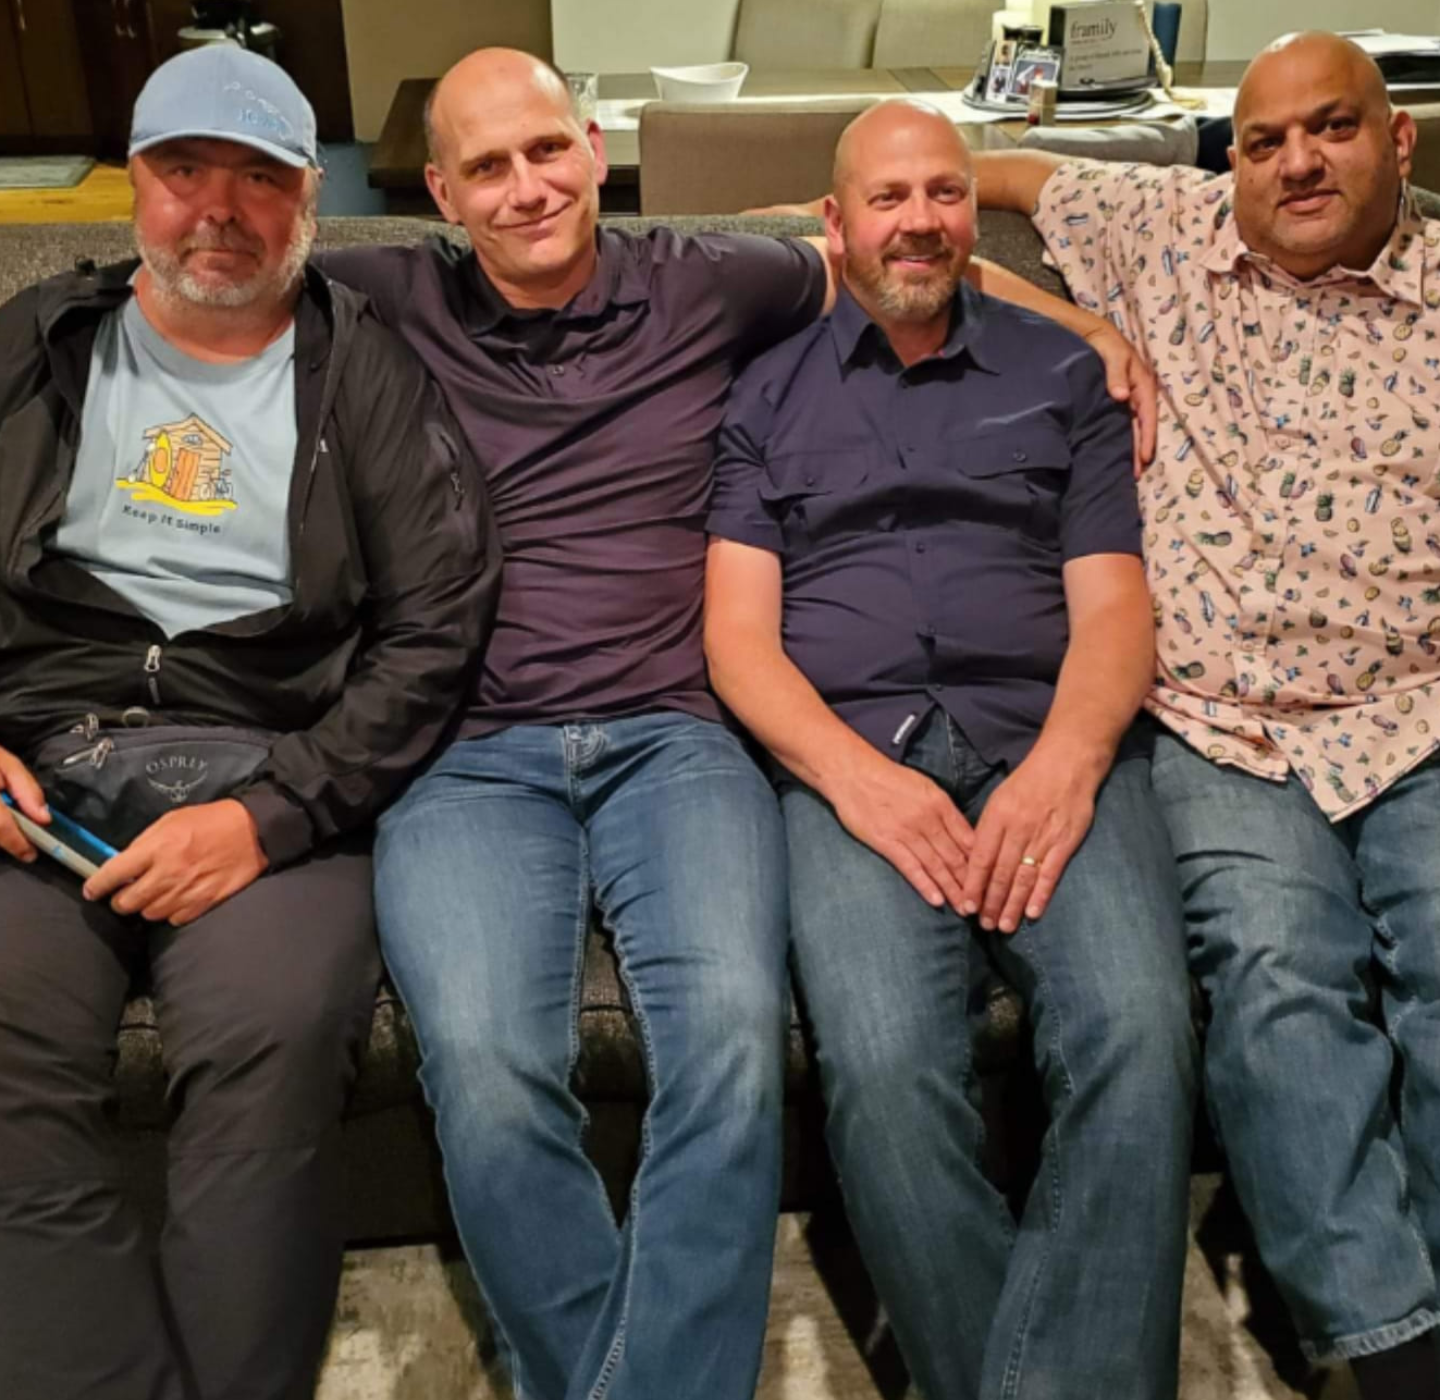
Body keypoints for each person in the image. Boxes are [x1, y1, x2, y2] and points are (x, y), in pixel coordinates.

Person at [316, 48, 1159, 1400]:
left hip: (674, 736)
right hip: (470, 751)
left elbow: (895, 252)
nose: (527, 188)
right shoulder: (381, 293)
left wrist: (1084, 328)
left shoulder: (708, 279)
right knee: (482, 1065)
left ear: (595, 151)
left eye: (548, 149)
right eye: (488, 167)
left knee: (728, 1048)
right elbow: (199, 280)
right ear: (441, 193)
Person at [0, 46, 499, 1400]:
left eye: (259, 177)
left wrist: (270, 814)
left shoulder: (368, 372)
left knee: (270, 1050)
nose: (217, 209)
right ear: (134, 184)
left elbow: (437, 627)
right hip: (40, 766)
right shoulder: (35, 343)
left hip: (267, 767)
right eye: (184, 171)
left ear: (309, 201)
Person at [703, 99, 1196, 1400]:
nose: (919, 220)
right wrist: (856, 780)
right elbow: (738, 640)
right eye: (887, 197)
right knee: (880, 1065)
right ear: (834, 221)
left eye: (945, 192)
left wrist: (1069, 765)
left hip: (1050, 735)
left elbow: (1114, 609)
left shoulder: (1063, 374)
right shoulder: (761, 390)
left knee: (1142, 1030)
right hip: (852, 759)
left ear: (974, 211)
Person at [973, 30, 1440, 1400]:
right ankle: (1395, 1348)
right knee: (1277, 986)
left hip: (1422, 716)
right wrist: (1085, 322)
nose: (1298, 162)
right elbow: (952, 181)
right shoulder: (1164, 226)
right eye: (1263, 140)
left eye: (1332, 127)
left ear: (1399, 140)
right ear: (1226, 158)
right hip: (1223, 728)